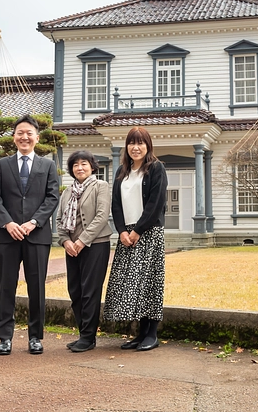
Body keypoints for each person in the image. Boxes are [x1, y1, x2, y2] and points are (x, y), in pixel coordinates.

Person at [0, 115, 60, 355]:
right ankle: (5, 337)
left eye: (29, 133)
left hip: (37, 236)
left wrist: (33, 222)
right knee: (5, 286)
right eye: (20, 132)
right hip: (7, 237)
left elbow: (52, 197)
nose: (24, 137)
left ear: (37, 138)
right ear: (14, 137)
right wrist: (7, 223)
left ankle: (35, 337)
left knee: (37, 287)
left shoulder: (48, 165)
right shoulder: (2, 165)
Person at [103, 126, 168, 351]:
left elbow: (156, 203)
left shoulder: (156, 168)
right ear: (127, 146)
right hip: (127, 235)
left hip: (148, 232)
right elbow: (116, 204)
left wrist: (138, 230)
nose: (136, 147)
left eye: (141, 143)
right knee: (131, 284)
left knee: (149, 282)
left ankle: (151, 334)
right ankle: (140, 334)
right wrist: (121, 230)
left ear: (148, 146)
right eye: (132, 143)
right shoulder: (123, 171)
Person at [55, 150, 112, 352]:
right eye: (75, 165)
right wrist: (65, 241)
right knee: (75, 290)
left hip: (96, 245)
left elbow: (101, 216)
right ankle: (83, 334)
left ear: (92, 166)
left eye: (84, 164)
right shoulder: (67, 192)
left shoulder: (101, 186)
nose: (80, 168)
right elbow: (60, 220)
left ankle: (88, 337)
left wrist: (82, 241)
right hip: (71, 248)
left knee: (90, 291)